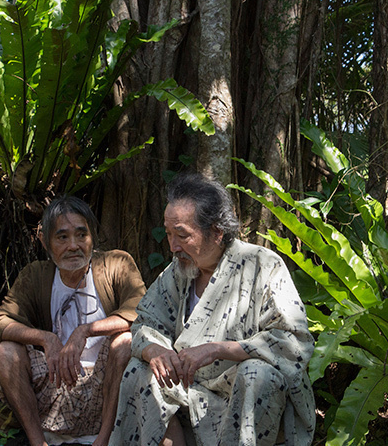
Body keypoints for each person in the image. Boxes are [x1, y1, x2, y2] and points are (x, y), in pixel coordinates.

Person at [109, 173, 316, 446]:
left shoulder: (262, 265)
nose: (172, 246)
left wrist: (216, 350)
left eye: (182, 235)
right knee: (140, 369)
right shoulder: (178, 272)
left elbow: (293, 341)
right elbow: (145, 323)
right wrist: (155, 351)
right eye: (169, 234)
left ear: (217, 232)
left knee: (258, 373)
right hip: (188, 392)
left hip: (243, 393)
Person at [0, 195, 146, 446]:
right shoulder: (35, 275)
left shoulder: (117, 264)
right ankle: (39, 442)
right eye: (62, 237)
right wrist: (45, 338)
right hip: (55, 392)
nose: (73, 246)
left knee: (125, 342)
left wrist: (84, 331)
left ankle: (104, 441)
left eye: (81, 235)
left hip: (105, 392)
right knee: (7, 352)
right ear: (46, 242)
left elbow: (141, 312)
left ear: (92, 237)